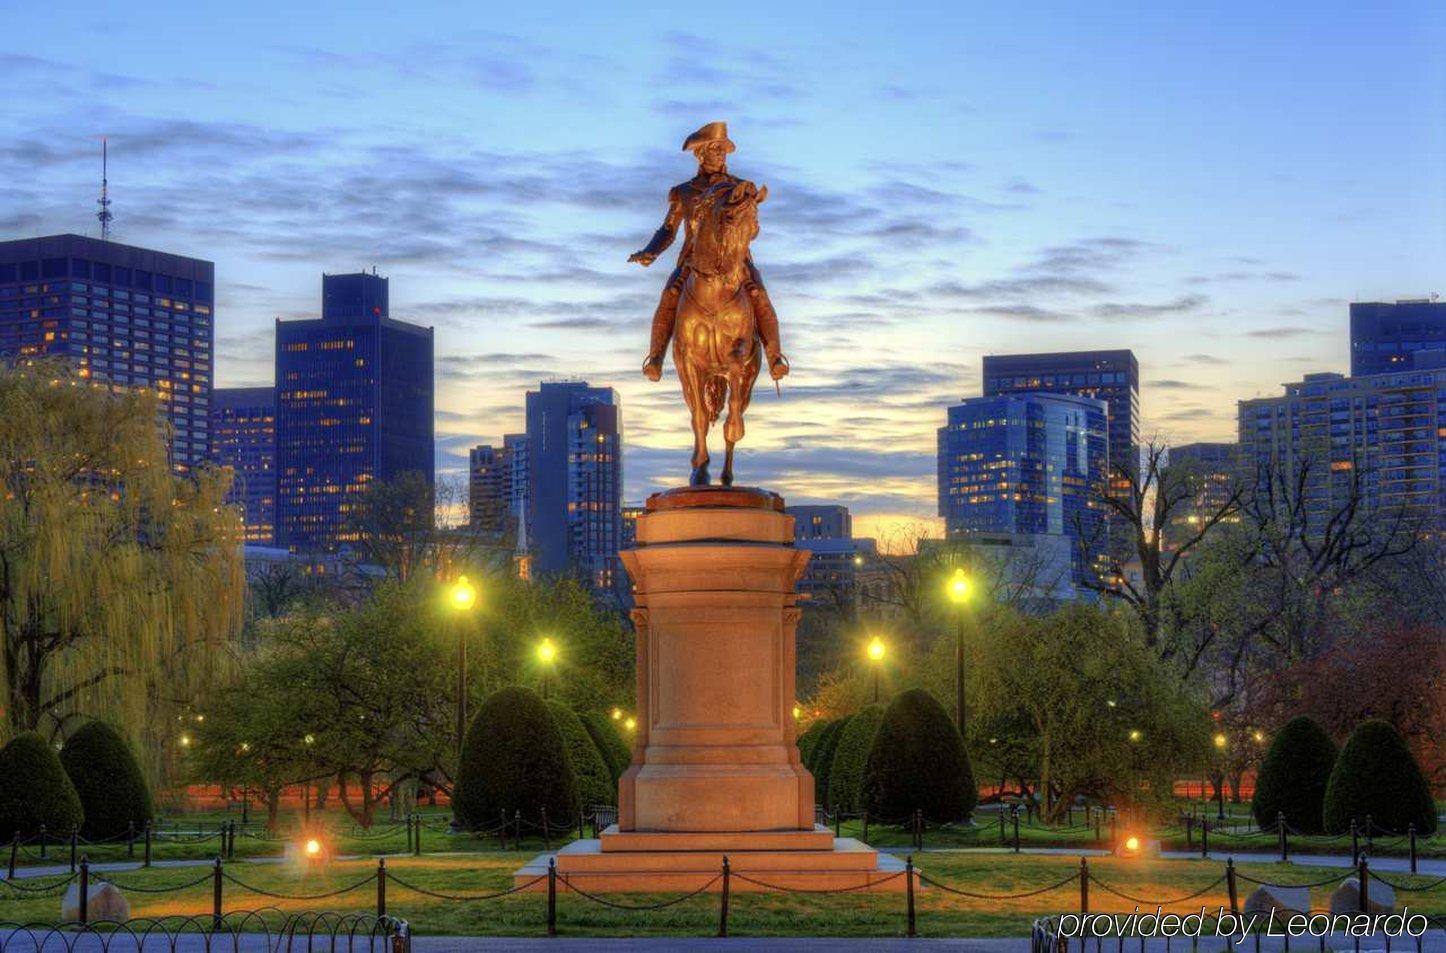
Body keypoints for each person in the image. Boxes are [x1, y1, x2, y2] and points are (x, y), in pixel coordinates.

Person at [630, 121, 789, 382]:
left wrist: (747, 225)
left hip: (735, 260)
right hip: (693, 261)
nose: (721, 154)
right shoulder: (683, 193)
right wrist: (650, 252)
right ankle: (655, 357)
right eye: (715, 149)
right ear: (701, 153)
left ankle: (775, 357)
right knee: (670, 294)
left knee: (758, 293)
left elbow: (752, 229)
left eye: (723, 150)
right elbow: (668, 229)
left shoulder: (739, 189)